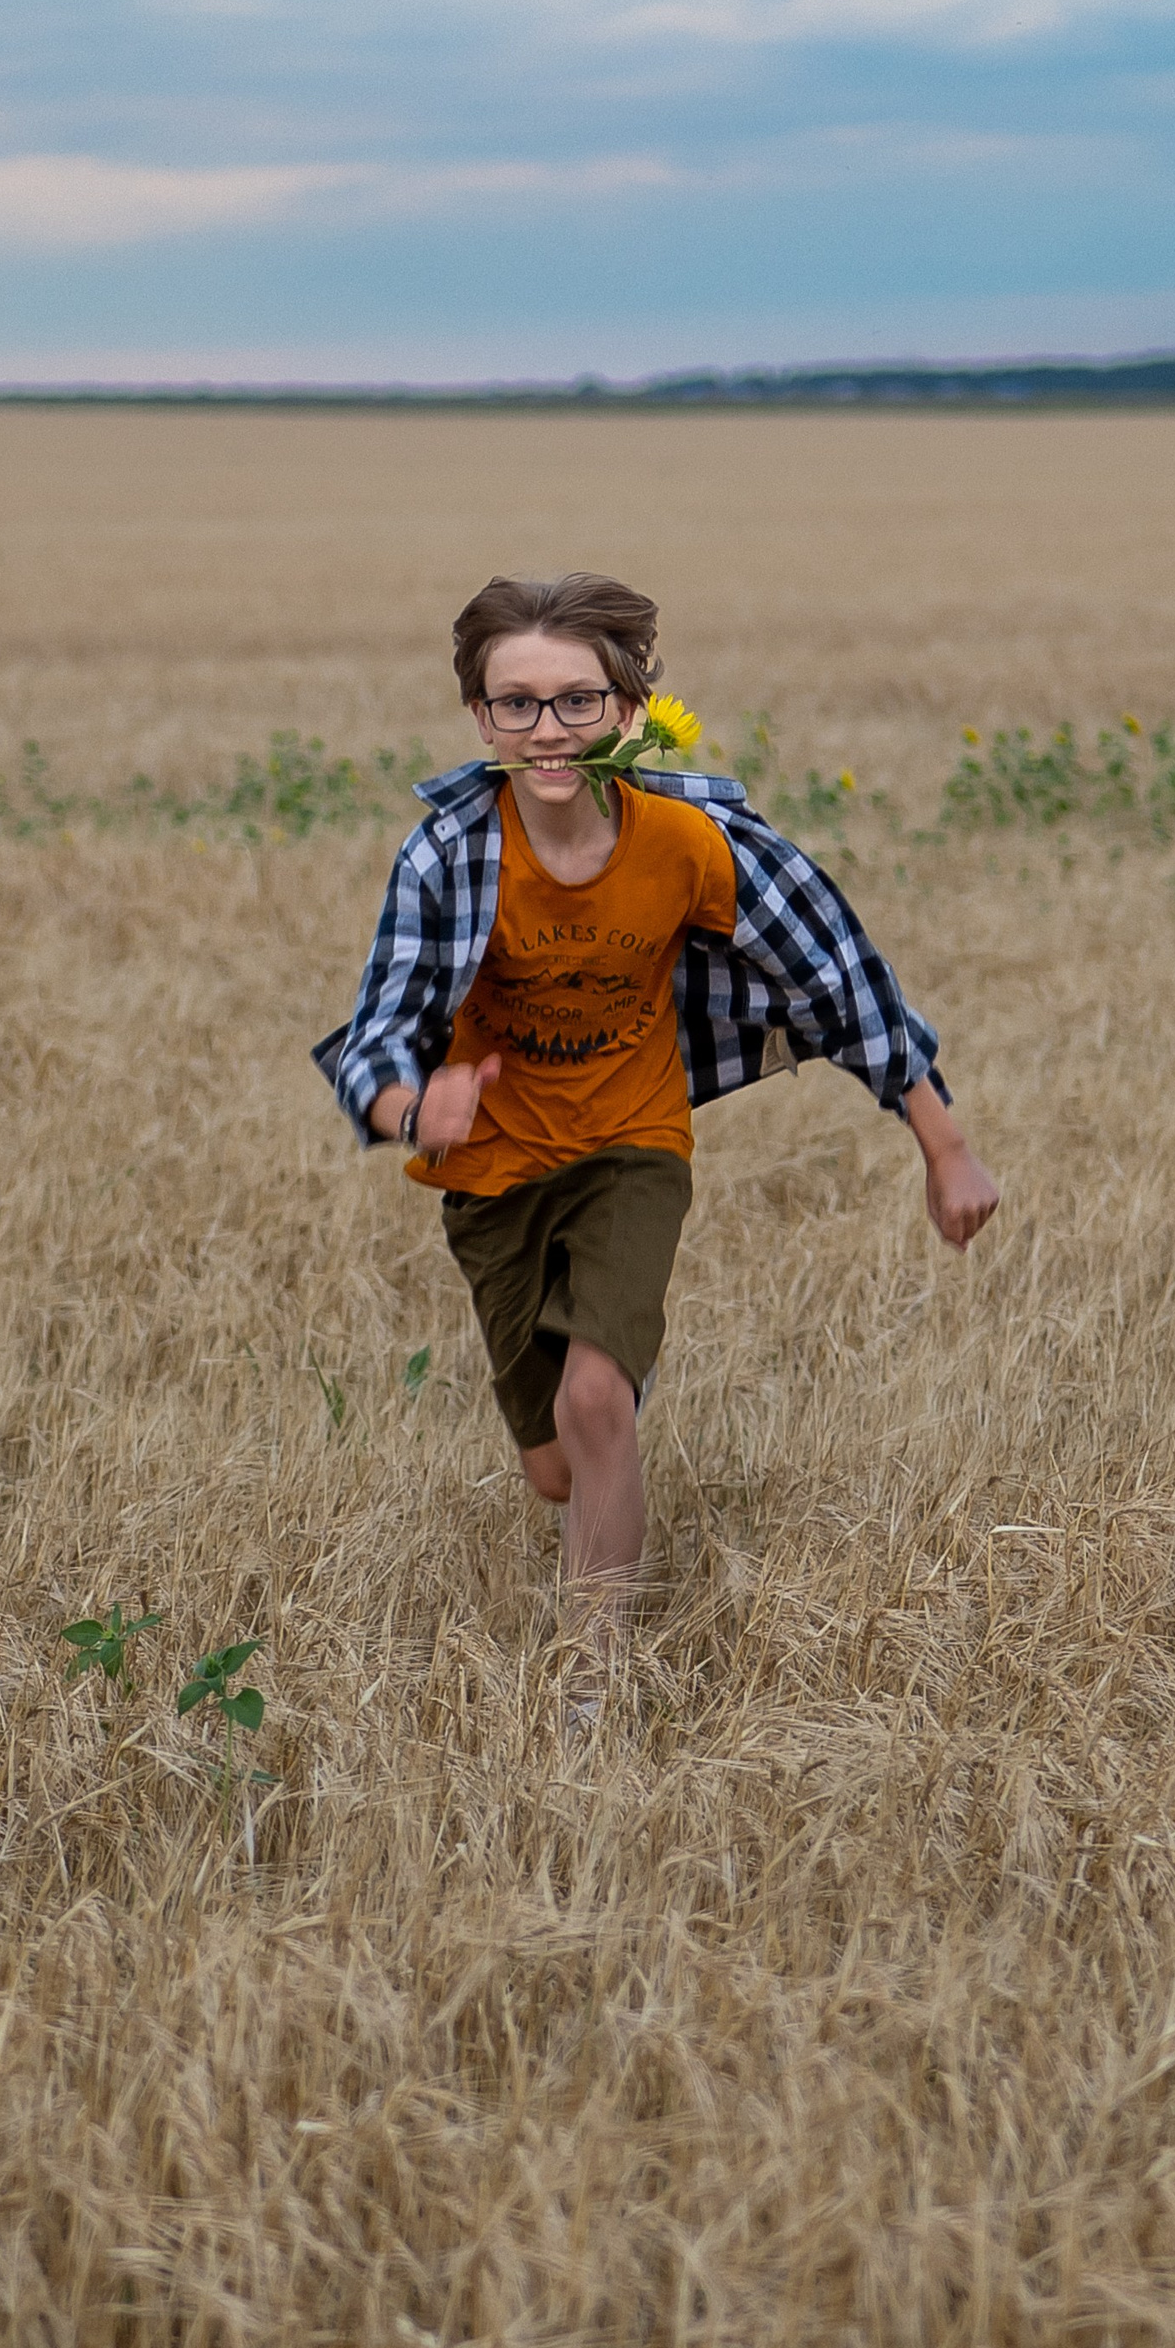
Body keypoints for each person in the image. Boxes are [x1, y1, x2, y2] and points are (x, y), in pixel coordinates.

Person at [313, 571, 999, 1637]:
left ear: (630, 712)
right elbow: (377, 1032)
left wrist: (943, 1144)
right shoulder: (448, 855)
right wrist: (413, 1108)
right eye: (517, 702)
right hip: (491, 1169)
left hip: (634, 1140)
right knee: (553, 1466)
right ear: (479, 717)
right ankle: (594, 1523)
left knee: (598, 1400)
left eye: (577, 699)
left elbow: (842, 978)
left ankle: (595, 1675)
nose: (548, 729)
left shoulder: (688, 843)